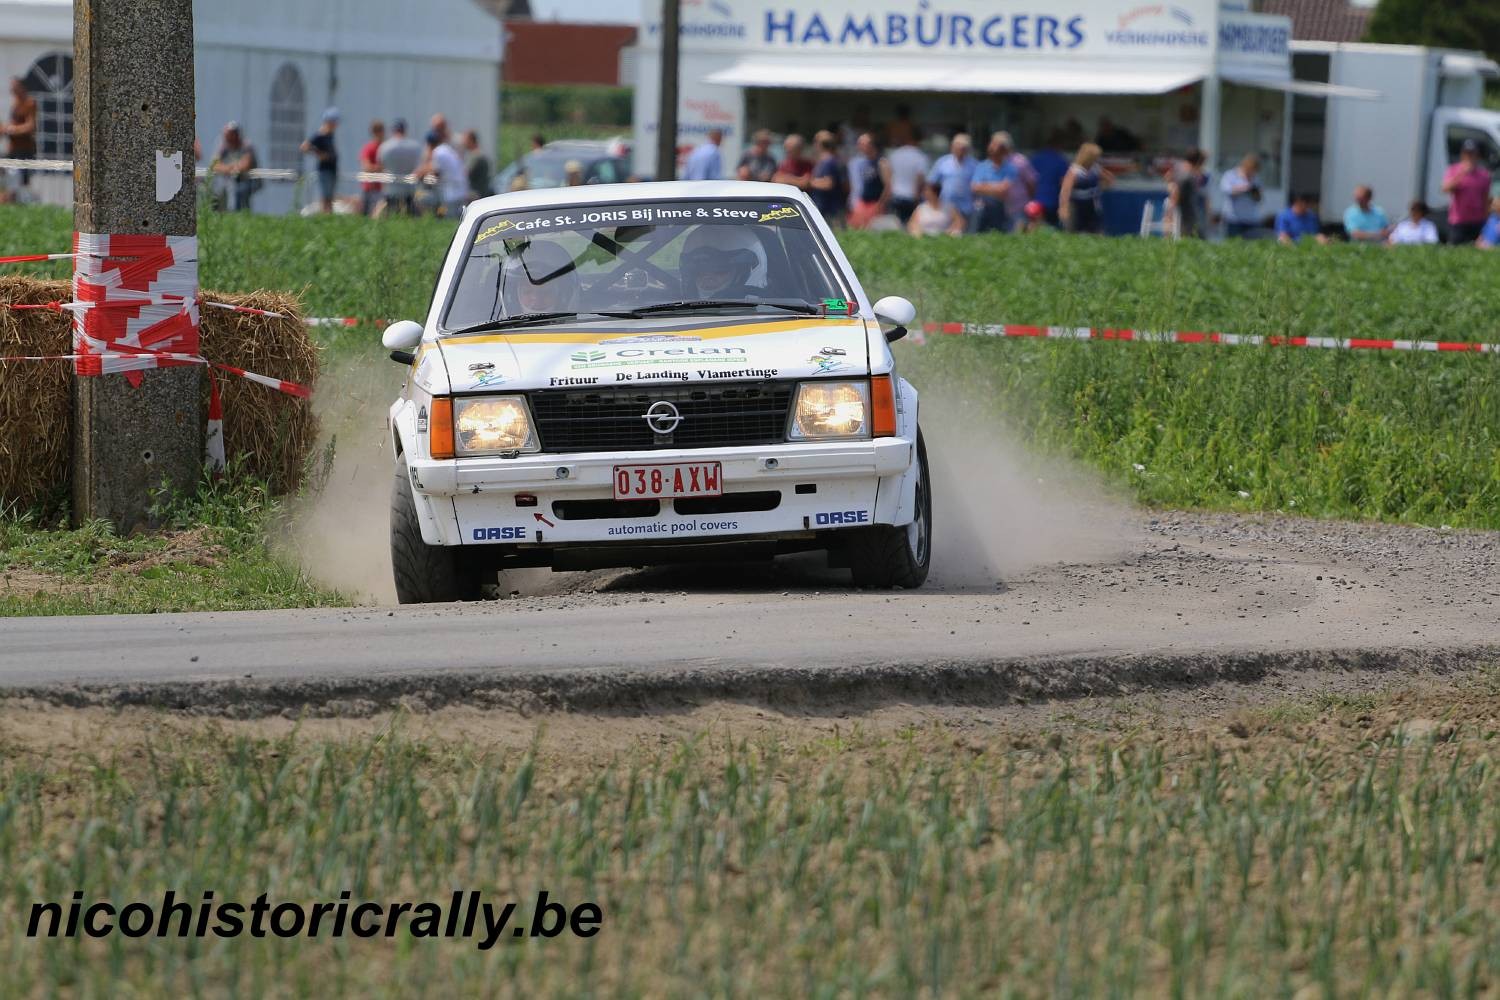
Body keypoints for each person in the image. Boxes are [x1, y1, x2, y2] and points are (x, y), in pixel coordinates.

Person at [680, 226, 768, 299]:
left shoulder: (773, 308)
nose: (708, 277)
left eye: (719, 271)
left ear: (744, 271)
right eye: (699, 271)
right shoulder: (672, 303)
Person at [1442, 139, 1492, 245]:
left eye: (1472, 153)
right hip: (1458, 221)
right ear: (1462, 155)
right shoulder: (1453, 170)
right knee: (1455, 253)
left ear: (1477, 155)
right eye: (1467, 153)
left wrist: (1487, 221)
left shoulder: (1484, 175)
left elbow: (1486, 199)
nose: (1470, 157)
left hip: (1478, 221)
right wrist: (1461, 174)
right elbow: (1445, 189)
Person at [926, 133, 977, 231]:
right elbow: (931, 183)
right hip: (946, 206)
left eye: (963, 148)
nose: (960, 150)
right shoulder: (943, 162)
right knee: (946, 234)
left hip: (966, 207)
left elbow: (977, 186)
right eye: (957, 147)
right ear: (952, 147)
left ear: (967, 149)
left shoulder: (974, 165)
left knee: (964, 236)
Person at [1058, 142, 1110, 234]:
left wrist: (1100, 188)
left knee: (1096, 231)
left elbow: (1109, 179)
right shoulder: (1074, 171)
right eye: (1094, 157)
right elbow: (1066, 190)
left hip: (1092, 205)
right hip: (1077, 206)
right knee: (1074, 231)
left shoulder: (1095, 168)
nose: (1096, 159)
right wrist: (1064, 207)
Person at [971, 134, 1018, 233]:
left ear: (1004, 150)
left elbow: (1004, 191)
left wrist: (984, 187)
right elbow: (975, 187)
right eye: (991, 145)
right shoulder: (982, 166)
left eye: (996, 146)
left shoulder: (1011, 168)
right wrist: (996, 187)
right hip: (982, 208)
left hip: (1002, 210)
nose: (992, 148)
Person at [210, 122, 258, 212]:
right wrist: (231, 168)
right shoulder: (223, 145)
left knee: (239, 192)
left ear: (236, 135)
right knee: (215, 192)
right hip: (226, 181)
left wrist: (227, 168)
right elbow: (214, 165)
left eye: (230, 135)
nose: (227, 138)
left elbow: (245, 165)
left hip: (246, 180)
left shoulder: (247, 145)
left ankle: (238, 217)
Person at [378, 119, 423, 215]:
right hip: (409, 190)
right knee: (410, 220)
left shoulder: (385, 147)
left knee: (391, 219)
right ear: (405, 130)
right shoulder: (415, 146)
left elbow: (381, 166)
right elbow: (419, 167)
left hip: (391, 190)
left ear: (393, 130)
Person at [422, 124, 468, 218]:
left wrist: (423, 179)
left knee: (451, 221)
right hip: (460, 189)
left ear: (429, 144)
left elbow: (435, 174)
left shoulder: (438, 152)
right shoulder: (445, 149)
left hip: (452, 192)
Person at [300, 107, 340, 213]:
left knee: (330, 197)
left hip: (332, 170)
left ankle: (328, 216)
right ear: (329, 122)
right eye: (335, 122)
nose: (337, 125)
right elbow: (304, 147)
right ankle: (325, 216)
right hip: (325, 170)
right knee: (326, 197)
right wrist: (319, 154)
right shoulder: (320, 135)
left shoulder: (330, 135)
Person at [885, 128, 929, 225]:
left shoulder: (894, 154)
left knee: (897, 226)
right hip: (912, 197)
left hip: (896, 195)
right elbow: (920, 178)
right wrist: (917, 198)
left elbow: (888, 176)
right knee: (912, 226)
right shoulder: (920, 156)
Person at [846, 132, 890, 229]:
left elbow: (888, 186)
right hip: (863, 202)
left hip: (875, 204)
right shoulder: (862, 162)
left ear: (871, 145)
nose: (859, 147)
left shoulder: (882, 163)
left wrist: (880, 204)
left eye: (862, 144)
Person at [1029, 131, 1071, 227]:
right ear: (1059, 145)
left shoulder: (1035, 158)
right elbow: (1064, 182)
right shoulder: (1061, 160)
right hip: (1052, 201)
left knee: (1035, 227)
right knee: (1053, 228)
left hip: (1036, 200)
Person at [1164, 148, 1206, 238]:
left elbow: (1168, 177)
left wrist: (1171, 184)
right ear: (1198, 162)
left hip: (1186, 214)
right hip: (1186, 216)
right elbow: (1176, 193)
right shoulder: (1187, 176)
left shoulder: (1180, 169)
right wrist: (1169, 214)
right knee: (1191, 239)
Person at [4, 77, 37, 189]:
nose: (12, 90)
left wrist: (13, 130)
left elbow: (31, 126)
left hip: (24, 149)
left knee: (23, 182)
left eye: (15, 87)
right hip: (12, 149)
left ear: (22, 88)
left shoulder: (29, 103)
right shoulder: (15, 103)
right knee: (10, 178)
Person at [1219, 153, 1262, 238]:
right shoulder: (1230, 175)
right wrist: (1244, 188)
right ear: (1246, 166)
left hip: (1251, 219)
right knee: (1232, 246)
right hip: (1233, 219)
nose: (1252, 173)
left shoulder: (1256, 178)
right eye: (1251, 170)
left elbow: (1259, 199)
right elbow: (1227, 190)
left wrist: (1255, 192)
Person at [808, 133, 845, 224]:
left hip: (829, 209)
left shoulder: (829, 162)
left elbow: (828, 183)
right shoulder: (827, 160)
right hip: (825, 207)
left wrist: (809, 182)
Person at [358, 120, 385, 216]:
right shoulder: (369, 148)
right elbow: (366, 167)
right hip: (371, 188)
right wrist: (383, 168)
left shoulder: (385, 147)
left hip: (382, 188)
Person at [461, 129, 491, 201]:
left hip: (476, 195)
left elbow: (466, 174)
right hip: (480, 194)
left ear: (471, 140)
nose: (463, 143)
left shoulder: (476, 156)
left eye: (465, 140)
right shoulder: (477, 154)